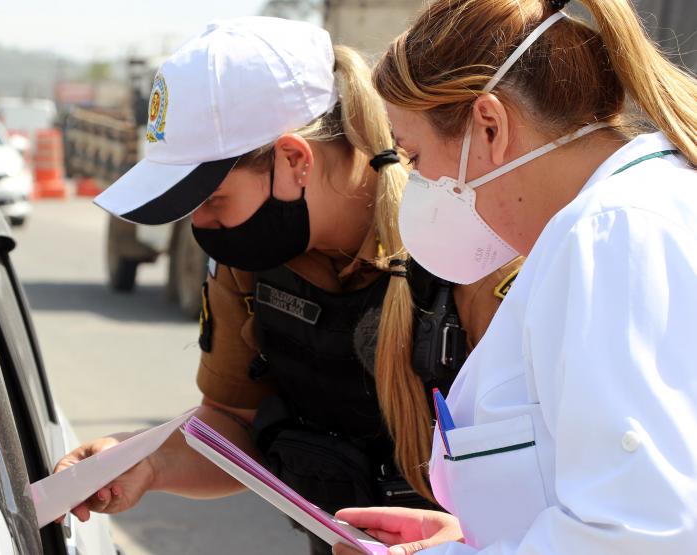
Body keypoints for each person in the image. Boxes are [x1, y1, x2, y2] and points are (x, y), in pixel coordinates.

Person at [55, 17, 519, 554]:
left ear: (294, 159)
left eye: (212, 201)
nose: (200, 228)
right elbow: (234, 423)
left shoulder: (472, 249)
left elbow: (572, 472)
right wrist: (145, 461)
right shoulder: (251, 266)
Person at [334, 0, 697, 553]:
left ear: (490, 125)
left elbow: (640, 534)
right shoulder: (616, 219)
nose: (413, 182)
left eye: (414, 156)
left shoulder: (609, 234)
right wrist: (476, 534)